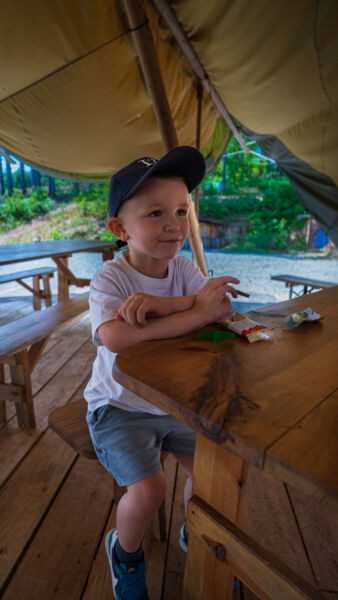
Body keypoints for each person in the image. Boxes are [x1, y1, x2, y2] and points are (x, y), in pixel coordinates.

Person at [84, 146, 240, 600]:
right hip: (118, 407)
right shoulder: (111, 280)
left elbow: (221, 308)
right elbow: (114, 337)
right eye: (156, 213)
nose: (174, 224)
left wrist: (167, 307)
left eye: (180, 210)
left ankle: (195, 531)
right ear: (120, 228)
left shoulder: (184, 269)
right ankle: (125, 551)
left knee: (211, 480)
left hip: (176, 401)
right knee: (149, 491)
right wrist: (193, 312)